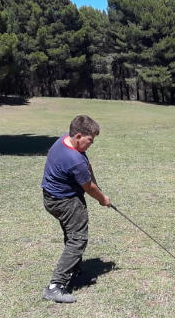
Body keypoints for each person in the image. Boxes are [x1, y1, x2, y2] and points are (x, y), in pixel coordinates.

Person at [40, 115, 111, 303]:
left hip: (50, 197)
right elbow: (89, 188)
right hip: (64, 201)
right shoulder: (74, 159)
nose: (92, 144)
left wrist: (96, 184)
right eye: (90, 140)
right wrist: (103, 199)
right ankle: (55, 287)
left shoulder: (65, 140)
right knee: (78, 239)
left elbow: (87, 164)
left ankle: (74, 268)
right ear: (79, 135)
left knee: (72, 234)